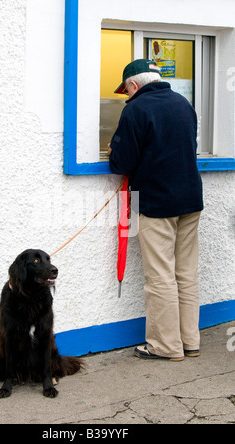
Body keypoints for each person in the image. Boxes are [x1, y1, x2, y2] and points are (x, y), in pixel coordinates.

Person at [108, 59, 203, 361]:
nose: (126, 96)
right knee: (186, 273)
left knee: (160, 277)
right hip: (190, 201)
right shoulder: (182, 103)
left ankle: (165, 347)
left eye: (126, 91)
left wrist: (114, 151)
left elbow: (122, 162)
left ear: (133, 85)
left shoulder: (135, 109)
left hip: (157, 203)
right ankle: (189, 341)